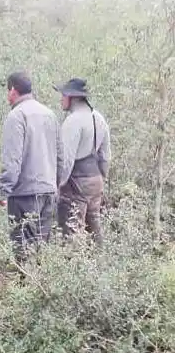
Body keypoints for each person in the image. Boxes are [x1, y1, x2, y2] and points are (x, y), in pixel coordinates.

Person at [0, 71, 64, 259]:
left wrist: (4, 189)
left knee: (23, 246)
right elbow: (61, 156)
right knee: (41, 245)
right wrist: (56, 184)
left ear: (13, 90)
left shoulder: (16, 116)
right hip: (48, 191)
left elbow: (12, 160)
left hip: (24, 194)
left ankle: (25, 285)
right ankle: (40, 284)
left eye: (7, 90)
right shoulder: (50, 114)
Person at [55, 78, 111, 244]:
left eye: (63, 95)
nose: (61, 99)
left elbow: (66, 160)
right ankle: (101, 264)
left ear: (72, 97)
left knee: (72, 228)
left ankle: (74, 266)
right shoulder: (98, 118)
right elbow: (105, 156)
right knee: (94, 226)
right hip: (96, 181)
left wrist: (58, 184)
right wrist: (102, 178)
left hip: (76, 184)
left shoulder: (73, 121)